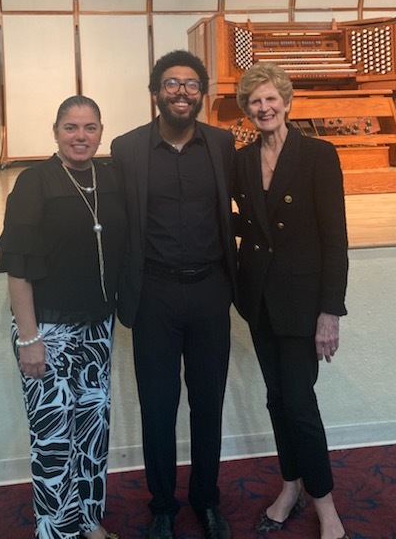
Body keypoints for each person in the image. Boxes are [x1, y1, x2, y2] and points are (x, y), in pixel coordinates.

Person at [111, 50, 237, 539]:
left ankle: (207, 500)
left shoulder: (223, 144)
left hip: (210, 291)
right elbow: (119, 224)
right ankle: (162, 504)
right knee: (158, 407)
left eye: (190, 84)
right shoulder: (127, 149)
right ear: (155, 92)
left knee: (209, 404)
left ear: (201, 94)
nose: (181, 92)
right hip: (155, 293)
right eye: (171, 84)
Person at [0, 95, 127, 539]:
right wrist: (29, 338)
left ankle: (88, 521)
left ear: (101, 132)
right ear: (55, 131)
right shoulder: (35, 183)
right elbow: (18, 266)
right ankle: (56, 531)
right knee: (53, 441)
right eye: (71, 127)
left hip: (96, 328)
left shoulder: (107, 180)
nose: (81, 137)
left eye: (90, 128)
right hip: (47, 331)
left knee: (91, 432)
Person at [233, 62, 349, 539]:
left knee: (300, 404)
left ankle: (326, 507)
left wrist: (330, 311)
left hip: (303, 303)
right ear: (247, 110)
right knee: (276, 399)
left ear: (286, 101)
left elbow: (334, 238)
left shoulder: (319, 155)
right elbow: (250, 226)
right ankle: (290, 485)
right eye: (254, 102)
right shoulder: (241, 159)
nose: (263, 108)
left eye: (270, 99)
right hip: (259, 298)